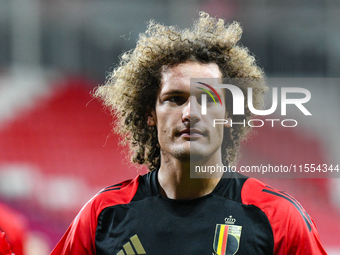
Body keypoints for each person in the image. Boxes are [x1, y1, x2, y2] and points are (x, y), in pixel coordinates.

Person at [50, 12, 326, 254]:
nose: (190, 113)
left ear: (229, 115)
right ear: (149, 113)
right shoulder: (103, 216)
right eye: (175, 98)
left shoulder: (278, 218)